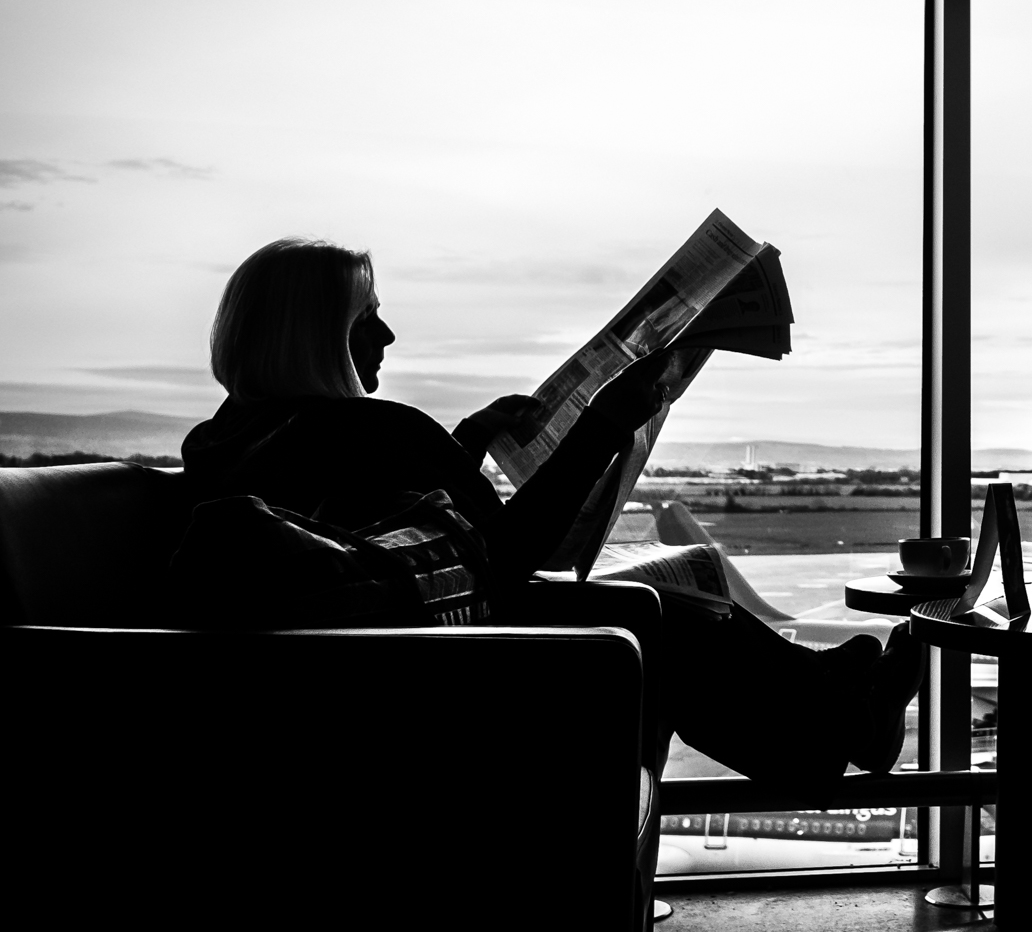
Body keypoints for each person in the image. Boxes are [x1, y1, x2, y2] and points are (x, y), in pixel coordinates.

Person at [180, 237, 921, 794]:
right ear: (315, 336)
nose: (388, 336)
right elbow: (505, 554)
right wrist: (605, 422)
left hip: (390, 673)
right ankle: (843, 715)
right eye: (366, 318)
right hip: (454, 671)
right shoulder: (365, 430)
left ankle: (839, 707)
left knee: (657, 608)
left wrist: (461, 449)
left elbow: (384, 533)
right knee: (658, 617)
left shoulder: (226, 442)